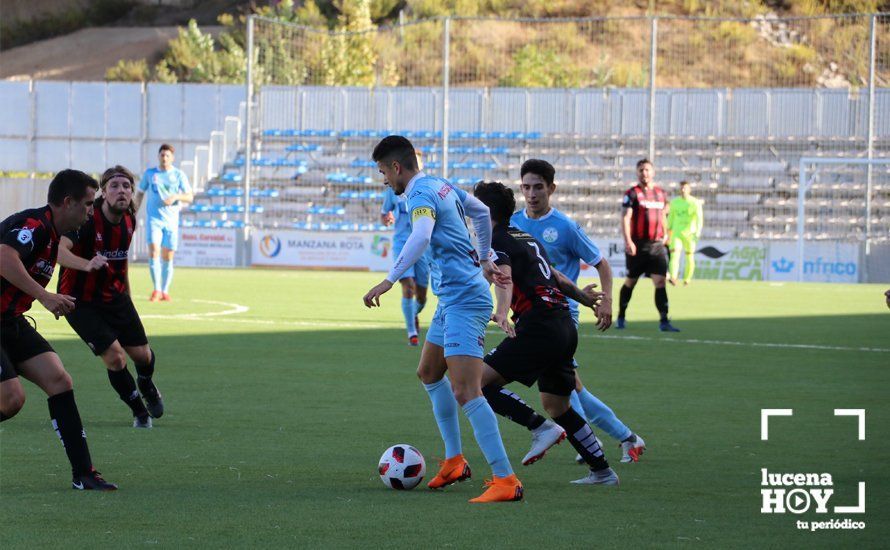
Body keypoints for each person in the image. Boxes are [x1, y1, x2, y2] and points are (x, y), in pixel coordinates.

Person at [363, 135, 522, 503]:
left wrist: (390, 279)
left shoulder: (419, 195)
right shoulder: (441, 183)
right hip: (453, 298)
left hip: (466, 301)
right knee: (429, 373)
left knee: (467, 389)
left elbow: (421, 234)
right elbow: (481, 212)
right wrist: (484, 258)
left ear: (397, 167)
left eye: (384, 171)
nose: (384, 179)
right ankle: (454, 460)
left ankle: (506, 479)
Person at [474, 181, 619, 485]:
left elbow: (505, 276)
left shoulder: (497, 239)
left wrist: (500, 310)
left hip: (538, 326)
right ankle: (602, 471)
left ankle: (539, 428)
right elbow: (555, 276)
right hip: (563, 324)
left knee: (476, 384)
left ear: (484, 212)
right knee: (558, 405)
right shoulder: (525, 236)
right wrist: (584, 297)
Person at [510, 159, 646, 464]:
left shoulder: (565, 227)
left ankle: (589, 442)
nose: (532, 194)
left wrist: (607, 301)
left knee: (565, 390)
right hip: (530, 317)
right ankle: (628, 438)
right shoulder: (514, 223)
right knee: (573, 388)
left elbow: (602, 263)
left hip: (560, 316)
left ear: (552, 189)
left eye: (538, 187)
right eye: (526, 187)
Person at [0, 169, 118, 490]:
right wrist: (45, 295)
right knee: (11, 399)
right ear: (67, 203)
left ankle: (84, 474)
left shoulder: (56, 235)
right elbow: (4, 257)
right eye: (88, 204)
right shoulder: (34, 226)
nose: (91, 211)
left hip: (9, 322)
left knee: (59, 380)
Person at [57, 166, 164, 429]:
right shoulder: (86, 220)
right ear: (103, 193)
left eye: (126, 186)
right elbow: (58, 250)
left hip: (114, 296)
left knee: (143, 356)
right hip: (79, 302)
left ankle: (147, 383)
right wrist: (86, 264)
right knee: (116, 358)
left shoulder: (129, 220)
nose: (122, 191)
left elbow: (120, 261)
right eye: (114, 186)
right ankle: (139, 412)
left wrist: (126, 295)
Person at [617, 159, 680, 332]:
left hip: (657, 245)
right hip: (638, 245)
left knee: (660, 282)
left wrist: (666, 234)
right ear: (637, 172)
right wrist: (628, 241)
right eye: (641, 170)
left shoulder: (661, 193)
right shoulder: (631, 193)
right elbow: (625, 217)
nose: (644, 173)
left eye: (647, 170)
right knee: (631, 281)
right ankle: (621, 316)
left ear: (653, 172)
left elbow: (663, 216)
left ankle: (664, 321)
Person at [380, 150, 432, 346]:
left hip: (423, 248)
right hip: (402, 245)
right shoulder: (392, 191)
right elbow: (384, 213)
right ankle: (412, 332)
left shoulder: (426, 189)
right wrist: (386, 218)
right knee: (407, 286)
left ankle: (414, 314)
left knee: (422, 296)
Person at [133, 143, 193, 302]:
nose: (164, 158)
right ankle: (157, 289)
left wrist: (176, 197)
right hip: (154, 219)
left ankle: (165, 291)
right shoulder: (150, 174)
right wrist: (133, 212)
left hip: (172, 221)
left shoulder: (179, 175)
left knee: (168, 256)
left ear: (172, 158)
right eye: (162, 155)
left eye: (167, 155)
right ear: (158, 156)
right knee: (153, 251)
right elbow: (139, 194)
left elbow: (189, 196)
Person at [667, 180, 704, 286]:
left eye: (685, 188)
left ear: (689, 189)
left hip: (690, 234)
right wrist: (668, 231)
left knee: (689, 257)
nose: (683, 190)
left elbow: (699, 219)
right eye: (681, 188)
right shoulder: (674, 202)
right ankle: (673, 277)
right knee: (674, 255)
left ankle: (687, 279)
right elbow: (670, 218)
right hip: (677, 233)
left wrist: (697, 233)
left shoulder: (695, 202)